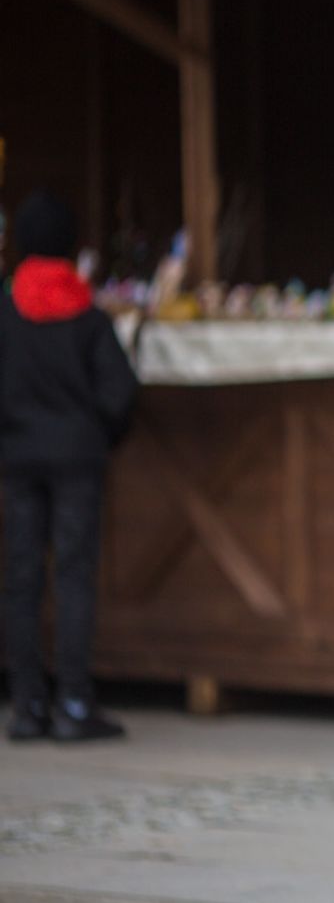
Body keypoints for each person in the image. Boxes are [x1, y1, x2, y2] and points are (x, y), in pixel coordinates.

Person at [3, 191, 138, 743]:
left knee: (21, 580)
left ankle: (27, 706)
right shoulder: (88, 317)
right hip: (78, 458)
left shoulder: (5, 313)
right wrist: (99, 437)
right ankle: (74, 704)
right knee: (74, 578)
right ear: (70, 244)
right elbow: (120, 393)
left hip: (17, 458)